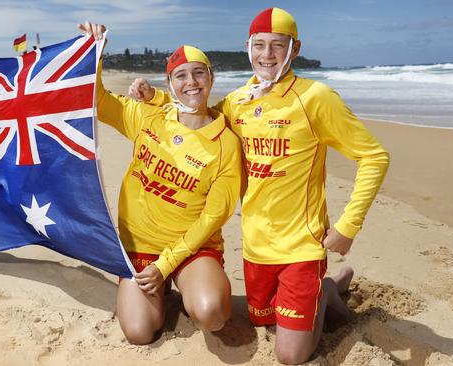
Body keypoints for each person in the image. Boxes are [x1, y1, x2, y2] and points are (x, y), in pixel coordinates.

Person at [128, 8, 390, 364]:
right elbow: (199, 109)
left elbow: (374, 157)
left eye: (277, 46)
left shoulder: (315, 98)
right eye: (260, 45)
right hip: (256, 249)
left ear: (294, 49)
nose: (267, 55)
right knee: (262, 323)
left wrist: (348, 226)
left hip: (301, 245)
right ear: (248, 47)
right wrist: (155, 98)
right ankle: (325, 290)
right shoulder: (238, 102)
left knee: (290, 355)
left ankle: (323, 289)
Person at [77, 22, 242, 345]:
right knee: (139, 332)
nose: (191, 82)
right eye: (181, 76)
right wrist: (94, 53)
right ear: (170, 82)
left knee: (212, 314)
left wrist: (166, 265)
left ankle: (186, 283)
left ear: (211, 78)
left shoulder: (225, 144)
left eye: (199, 73)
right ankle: (162, 292)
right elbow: (97, 101)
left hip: (191, 250)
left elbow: (213, 218)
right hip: (140, 249)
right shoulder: (149, 116)